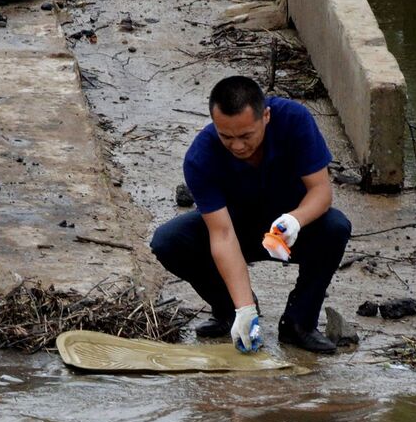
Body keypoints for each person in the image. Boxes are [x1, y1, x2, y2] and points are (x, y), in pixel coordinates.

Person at [150, 74, 351, 354]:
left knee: (335, 227)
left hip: (287, 229)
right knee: (168, 240)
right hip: (236, 228)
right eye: (226, 137)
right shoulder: (201, 157)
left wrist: (296, 219)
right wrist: (244, 308)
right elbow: (221, 234)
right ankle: (230, 311)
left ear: (265, 116)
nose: (238, 146)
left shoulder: (294, 121)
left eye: (246, 135)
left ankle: (299, 323)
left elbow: (321, 191)